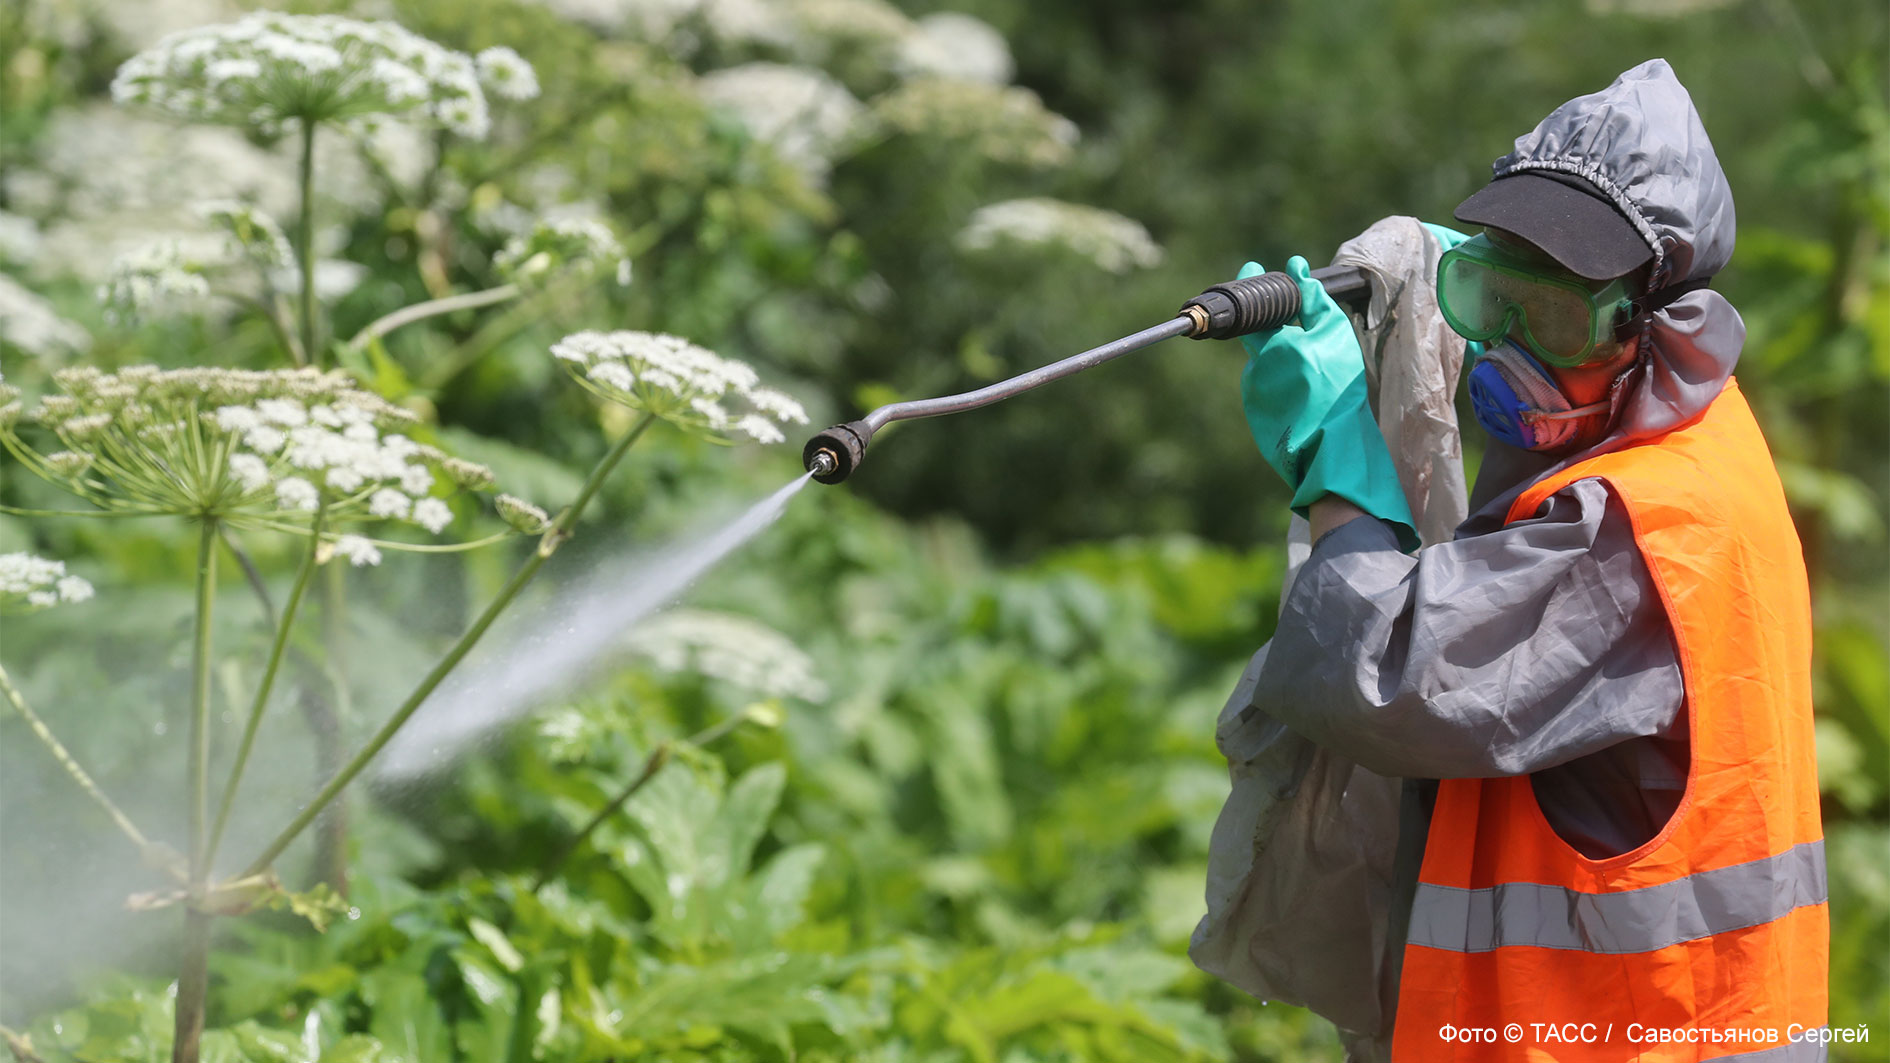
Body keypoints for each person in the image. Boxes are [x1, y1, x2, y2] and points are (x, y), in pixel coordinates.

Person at [1204, 59, 1827, 1060]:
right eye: (1489, 293)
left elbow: (1386, 675)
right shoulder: (1691, 427)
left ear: (1660, 327)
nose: (1504, 348)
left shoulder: (1641, 527)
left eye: (1552, 319)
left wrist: (1340, 465)